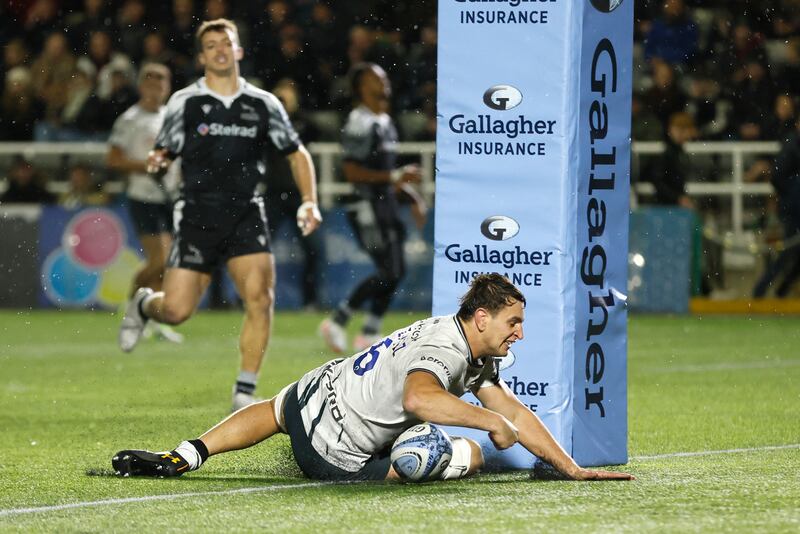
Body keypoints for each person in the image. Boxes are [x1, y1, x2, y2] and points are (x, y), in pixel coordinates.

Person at [111, 274, 634, 483]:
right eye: (513, 322)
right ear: (482, 318)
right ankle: (408, 459)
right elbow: (420, 397)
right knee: (457, 454)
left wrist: (570, 467)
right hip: (337, 456)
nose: (520, 332)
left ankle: (185, 455)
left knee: (276, 408)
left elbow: (515, 412)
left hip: (316, 394)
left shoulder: (466, 343)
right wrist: (488, 422)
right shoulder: (445, 347)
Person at [117, 19, 322, 411]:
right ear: (201, 58)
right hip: (197, 213)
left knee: (260, 298)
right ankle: (144, 304)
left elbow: (297, 153)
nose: (220, 50)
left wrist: (309, 200)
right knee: (176, 311)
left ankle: (244, 391)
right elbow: (163, 154)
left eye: (226, 43)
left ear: (239, 50)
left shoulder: (263, 103)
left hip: (246, 211)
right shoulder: (185, 102)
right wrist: (157, 162)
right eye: (210, 46)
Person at [319, 62, 426, 353]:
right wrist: (394, 177)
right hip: (366, 205)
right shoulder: (359, 121)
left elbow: (388, 175)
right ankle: (338, 320)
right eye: (377, 78)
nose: (384, 82)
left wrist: (412, 197)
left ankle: (369, 332)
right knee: (390, 269)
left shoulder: (385, 121)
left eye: (385, 77)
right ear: (362, 87)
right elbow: (351, 171)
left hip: (385, 204)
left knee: (395, 269)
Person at [107, 62, 183, 343]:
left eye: (161, 81)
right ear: (140, 86)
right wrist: (146, 167)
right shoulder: (130, 119)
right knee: (160, 259)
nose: (156, 87)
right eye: (150, 81)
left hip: (170, 196)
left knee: (167, 264)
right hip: (143, 196)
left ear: (168, 86)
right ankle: (132, 306)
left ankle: (154, 318)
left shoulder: (172, 116)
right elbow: (113, 159)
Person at [265, 79, 323, 310]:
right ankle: (247, 298)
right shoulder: (267, 123)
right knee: (255, 248)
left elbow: (315, 134)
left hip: (299, 196)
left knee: (313, 250)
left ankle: (310, 300)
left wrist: (291, 113)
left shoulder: (302, 123)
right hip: (273, 193)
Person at [753, 117, 800, 298]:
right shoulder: (791, 146)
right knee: (787, 251)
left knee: (789, 252)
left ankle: (777, 290)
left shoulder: (792, 145)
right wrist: (794, 192)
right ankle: (762, 291)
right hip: (793, 209)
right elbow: (777, 177)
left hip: (793, 206)